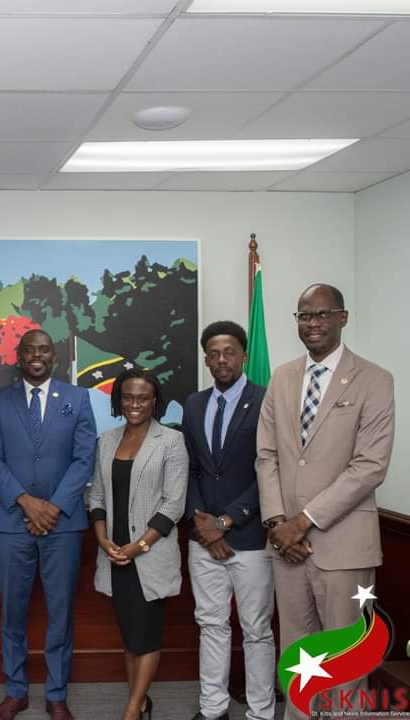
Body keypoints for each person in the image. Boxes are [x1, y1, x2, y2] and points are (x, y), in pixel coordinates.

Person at [257, 283, 394, 720]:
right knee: (298, 659)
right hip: (287, 546)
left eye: (322, 314)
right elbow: (267, 456)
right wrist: (278, 523)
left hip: (344, 547)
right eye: (304, 316)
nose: (312, 323)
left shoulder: (375, 379)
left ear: (342, 318)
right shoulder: (282, 377)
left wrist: (302, 521)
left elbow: (369, 466)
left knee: (346, 660)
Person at [0, 329, 96, 720]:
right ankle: (16, 691)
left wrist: (54, 507)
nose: (37, 355)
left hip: (63, 524)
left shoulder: (77, 399)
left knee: (60, 613)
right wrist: (27, 503)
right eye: (29, 349)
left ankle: (56, 693)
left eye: (44, 349)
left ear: (54, 357)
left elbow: (84, 458)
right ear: (19, 356)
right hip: (13, 522)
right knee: (12, 611)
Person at [182, 321, 274, 720]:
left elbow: (270, 470)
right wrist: (204, 525)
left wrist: (226, 522)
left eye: (229, 352)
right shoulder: (194, 404)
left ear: (244, 356)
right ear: (206, 359)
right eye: (214, 354)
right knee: (211, 625)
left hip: (251, 538)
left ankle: (260, 712)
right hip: (203, 539)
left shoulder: (266, 400)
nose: (222, 360)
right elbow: (191, 469)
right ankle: (213, 708)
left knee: (256, 630)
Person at [89, 369, 188, 720]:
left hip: (149, 555)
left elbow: (174, 504)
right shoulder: (106, 440)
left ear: (154, 401)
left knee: (145, 635)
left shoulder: (171, 441)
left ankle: (132, 710)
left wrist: (139, 546)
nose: (135, 404)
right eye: (128, 397)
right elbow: (97, 496)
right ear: (119, 400)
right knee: (130, 634)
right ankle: (141, 701)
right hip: (113, 553)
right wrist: (102, 539)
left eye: (143, 398)